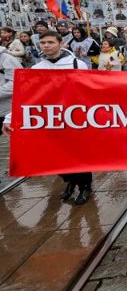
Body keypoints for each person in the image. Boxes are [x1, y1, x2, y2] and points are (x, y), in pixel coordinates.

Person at [2, 31, 92, 204]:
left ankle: (85, 186)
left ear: (60, 43)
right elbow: (26, 97)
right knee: (56, 154)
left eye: (51, 42)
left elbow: (88, 89)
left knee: (78, 154)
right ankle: (70, 181)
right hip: (49, 119)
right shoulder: (37, 69)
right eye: (43, 43)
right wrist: (9, 118)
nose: (46, 45)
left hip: (74, 118)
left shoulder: (76, 64)